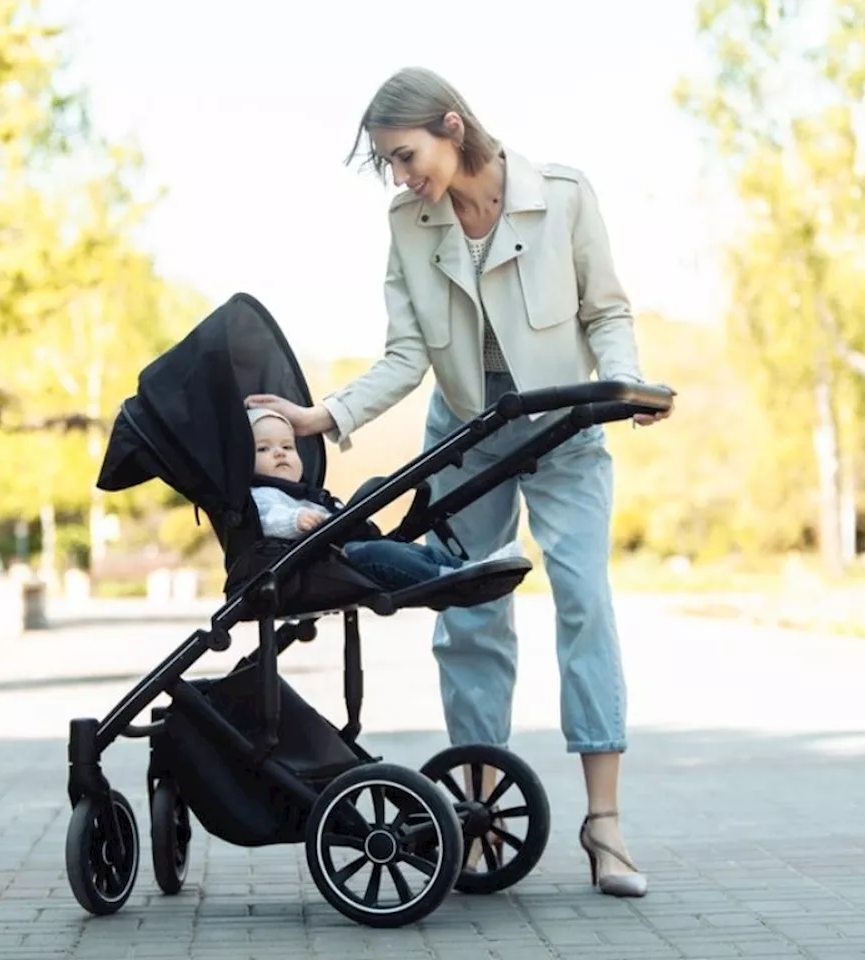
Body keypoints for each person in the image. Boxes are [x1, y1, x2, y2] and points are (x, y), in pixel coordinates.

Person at [245, 67, 672, 896]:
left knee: (585, 605)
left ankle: (606, 825)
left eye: (407, 156)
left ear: (451, 125)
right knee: (470, 610)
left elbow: (606, 312)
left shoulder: (564, 195)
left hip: (565, 429)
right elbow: (407, 354)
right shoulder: (410, 222)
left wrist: (625, 383)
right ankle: (475, 816)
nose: (403, 177)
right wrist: (321, 416)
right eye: (390, 166)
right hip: (468, 438)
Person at [249, 407, 517, 590]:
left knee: (414, 551)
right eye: (264, 448)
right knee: (384, 553)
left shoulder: (307, 496)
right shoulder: (263, 495)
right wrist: (295, 520)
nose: (279, 454)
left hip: (341, 557)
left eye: (287, 446)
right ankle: (447, 578)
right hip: (323, 567)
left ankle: (469, 568)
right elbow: (265, 520)